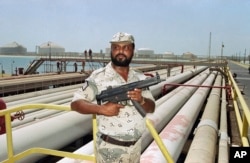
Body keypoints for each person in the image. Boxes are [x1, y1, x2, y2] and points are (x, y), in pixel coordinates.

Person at [71, 32, 155, 163]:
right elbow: (75, 103)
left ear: (133, 50)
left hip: (135, 149)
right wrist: (101, 109)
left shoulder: (140, 78)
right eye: (116, 47)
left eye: (125, 47)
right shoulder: (98, 77)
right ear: (111, 50)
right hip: (109, 151)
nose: (120, 51)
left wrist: (142, 100)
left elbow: (151, 108)